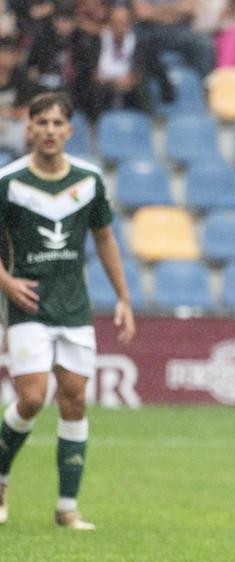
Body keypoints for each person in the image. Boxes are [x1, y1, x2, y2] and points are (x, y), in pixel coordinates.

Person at [0, 92, 136, 530]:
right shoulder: (9, 182)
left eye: (58, 123)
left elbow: (105, 238)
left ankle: (67, 508)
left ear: (69, 130)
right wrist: (6, 281)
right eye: (42, 123)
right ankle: (1, 480)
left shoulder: (89, 180)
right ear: (30, 129)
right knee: (32, 397)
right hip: (28, 307)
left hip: (74, 309)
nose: (50, 130)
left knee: (74, 403)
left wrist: (123, 297)